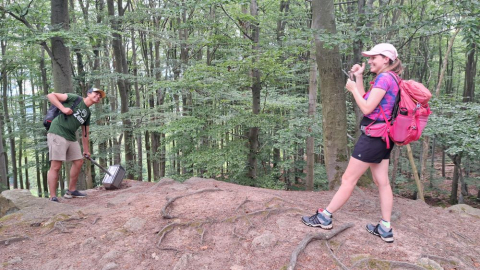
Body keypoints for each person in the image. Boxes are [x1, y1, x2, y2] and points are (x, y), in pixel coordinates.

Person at [302, 43, 403, 243]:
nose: (370, 60)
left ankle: (325, 217)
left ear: (387, 59)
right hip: (385, 137)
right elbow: (369, 100)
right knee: (382, 182)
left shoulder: (384, 78)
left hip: (373, 138)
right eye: (370, 57)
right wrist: (358, 78)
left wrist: (351, 89)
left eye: (374, 57)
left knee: (348, 179)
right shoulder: (392, 78)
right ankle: (385, 227)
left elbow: (365, 108)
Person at [46, 88, 106, 202]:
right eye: (96, 93)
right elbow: (51, 95)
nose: (98, 96)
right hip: (58, 131)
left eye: (100, 96)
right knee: (56, 166)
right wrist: (63, 108)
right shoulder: (76, 98)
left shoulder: (87, 113)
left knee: (78, 161)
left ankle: (71, 191)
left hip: (71, 136)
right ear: (88, 93)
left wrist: (86, 150)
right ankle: (52, 196)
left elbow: (85, 133)